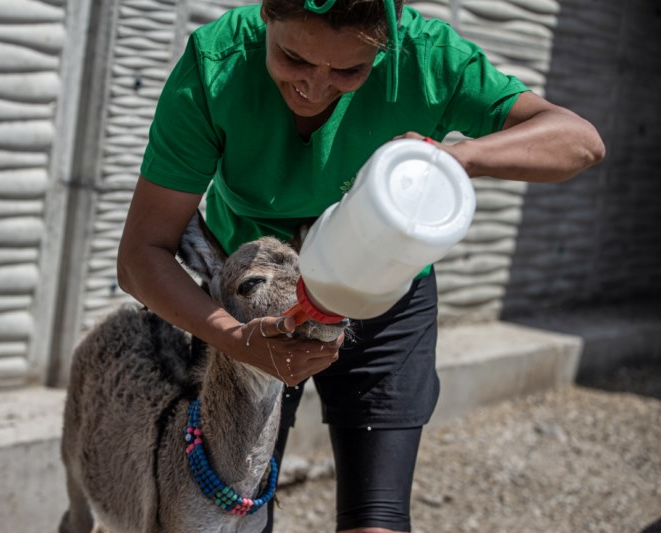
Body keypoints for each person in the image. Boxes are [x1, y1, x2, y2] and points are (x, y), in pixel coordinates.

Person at [117, 0, 605, 531]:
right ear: (266, 17)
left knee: (376, 518)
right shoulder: (218, 66)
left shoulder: (427, 58)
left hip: (385, 296)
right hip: (255, 306)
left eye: (350, 70)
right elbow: (142, 255)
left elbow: (579, 141)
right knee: (226, 509)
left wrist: (454, 159)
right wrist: (236, 340)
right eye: (292, 58)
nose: (315, 87)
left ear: (387, 44)